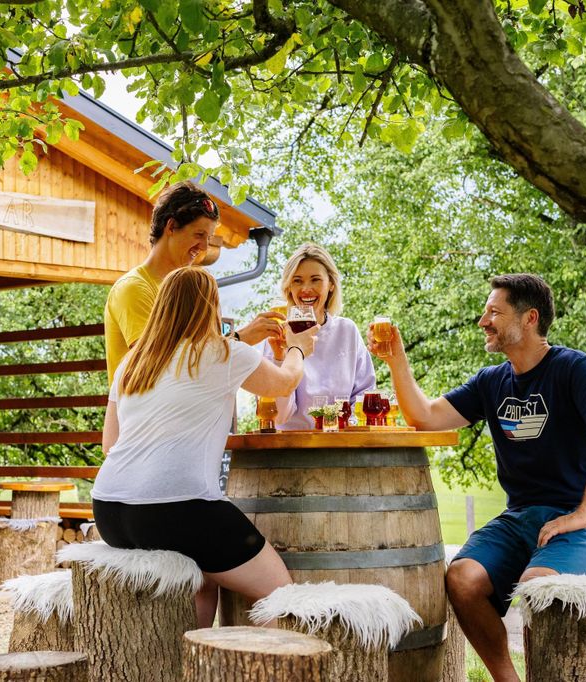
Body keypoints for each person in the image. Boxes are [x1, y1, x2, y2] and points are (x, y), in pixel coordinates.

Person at [368, 274, 586, 682]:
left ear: (530, 318)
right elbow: (425, 417)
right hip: (523, 516)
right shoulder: (492, 381)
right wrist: (396, 359)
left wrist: (583, 512)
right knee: (463, 578)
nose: (483, 321)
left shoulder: (573, 368)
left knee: (539, 586)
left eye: (494, 312)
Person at [93, 266, 319, 628]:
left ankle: (189, 662)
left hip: (110, 509)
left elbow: (110, 443)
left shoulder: (132, 363)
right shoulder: (224, 352)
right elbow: (284, 383)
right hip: (178, 510)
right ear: (210, 307)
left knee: (204, 579)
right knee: (280, 595)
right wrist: (297, 348)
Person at [104, 180, 285, 384]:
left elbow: (201, 357)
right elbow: (157, 366)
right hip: (146, 415)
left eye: (208, 238)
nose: (203, 247)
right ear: (171, 226)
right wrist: (240, 339)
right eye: (199, 235)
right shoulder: (134, 288)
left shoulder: (189, 292)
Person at [262, 243, 376, 429]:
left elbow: (365, 392)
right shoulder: (279, 335)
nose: (306, 289)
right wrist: (279, 358)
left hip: (341, 443)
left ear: (331, 284)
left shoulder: (347, 330)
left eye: (315, 280)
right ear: (289, 287)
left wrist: (348, 425)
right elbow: (280, 416)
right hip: (292, 447)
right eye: (297, 281)